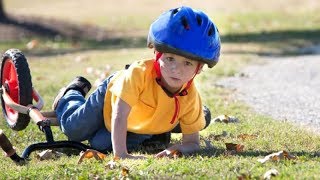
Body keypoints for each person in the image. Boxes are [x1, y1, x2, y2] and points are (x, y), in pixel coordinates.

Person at [52, 6, 221, 159]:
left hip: (142, 120)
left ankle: (157, 134)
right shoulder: (137, 75)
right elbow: (119, 115)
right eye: (170, 59)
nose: (176, 69)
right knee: (74, 130)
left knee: (100, 144)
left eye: (188, 63)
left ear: (198, 69)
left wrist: (176, 149)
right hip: (111, 97)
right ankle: (72, 92)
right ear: (157, 55)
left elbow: (192, 143)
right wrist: (121, 154)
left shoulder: (190, 97)